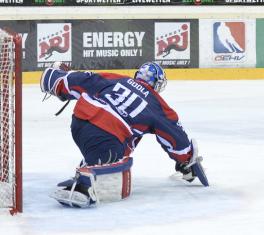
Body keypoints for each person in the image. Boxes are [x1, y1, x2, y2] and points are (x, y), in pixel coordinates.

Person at [40, 62, 208, 208]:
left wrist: (55, 78)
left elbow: (84, 80)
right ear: (157, 84)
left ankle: (92, 162)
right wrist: (186, 161)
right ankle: (84, 184)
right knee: (119, 160)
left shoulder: (117, 78)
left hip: (79, 123)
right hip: (106, 137)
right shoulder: (157, 104)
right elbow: (175, 138)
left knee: (118, 139)